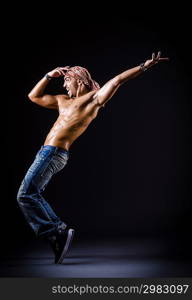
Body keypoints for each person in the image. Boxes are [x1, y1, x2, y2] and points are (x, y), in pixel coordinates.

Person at [17, 52, 169, 264]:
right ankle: (57, 232)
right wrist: (49, 76)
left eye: (66, 81)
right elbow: (33, 97)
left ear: (78, 80)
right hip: (45, 152)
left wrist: (143, 66)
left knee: (25, 194)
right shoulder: (62, 101)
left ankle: (56, 232)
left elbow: (117, 80)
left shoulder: (93, 100)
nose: (64, 87)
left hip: (54, 153)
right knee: (32, 194)